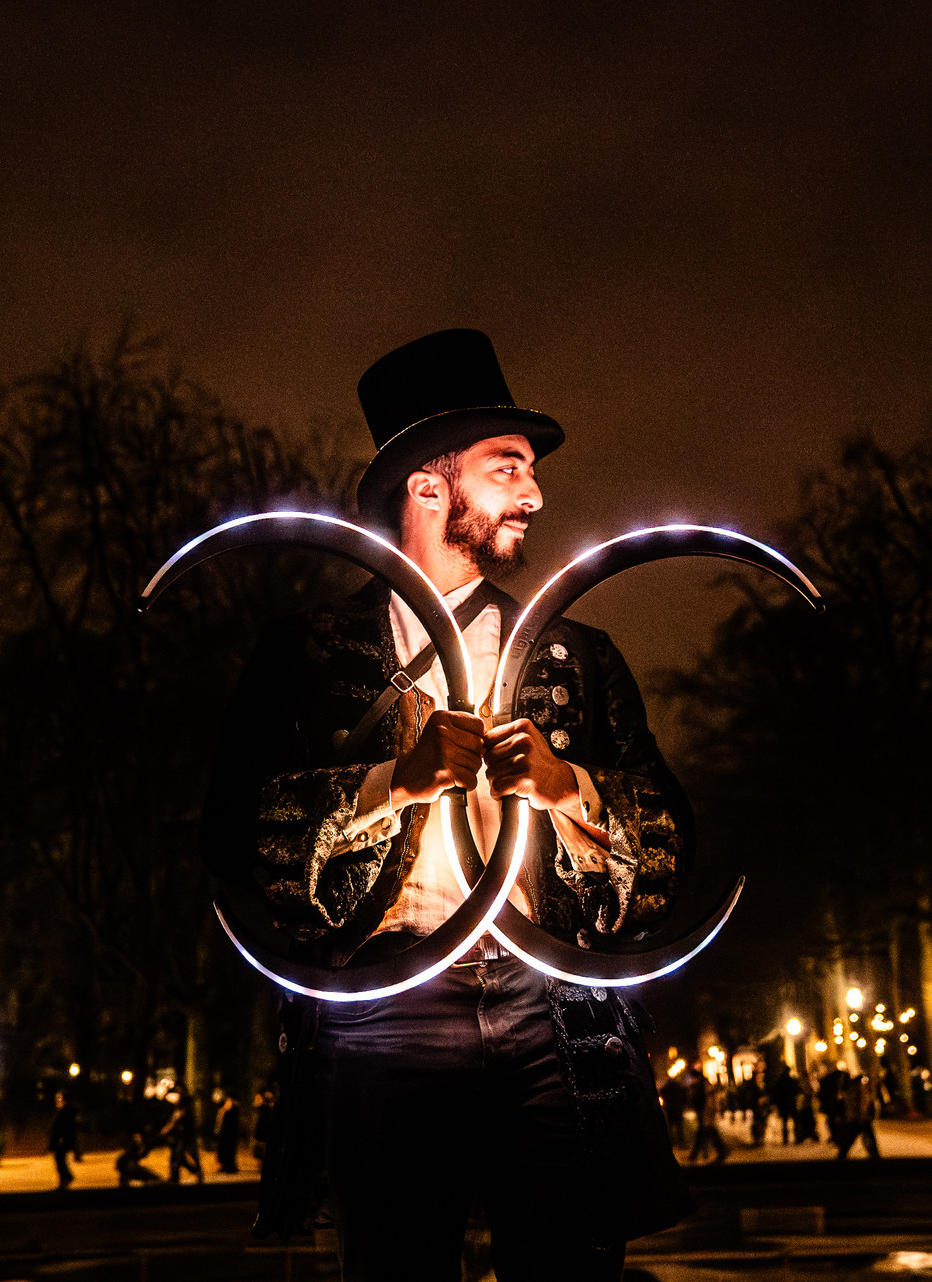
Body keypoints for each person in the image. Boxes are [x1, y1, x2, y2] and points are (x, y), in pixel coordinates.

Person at [203, 330, 693, 1278]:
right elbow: (233, 836)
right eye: (508, 467)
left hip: (552, 1009)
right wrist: (398, 780)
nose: (536, 494)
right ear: (430, 487)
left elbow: (671, 842)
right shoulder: (306, 656)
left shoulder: (579, 661)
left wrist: (566, 788)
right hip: (385, 1013)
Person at [833, 1067, 881, 1159]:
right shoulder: (857, 1089)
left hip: (856, 1118)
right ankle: (875, 1156)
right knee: (855, 1138)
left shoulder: (848, 1090)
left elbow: (853, 1105)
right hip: (860, 1118)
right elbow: (862, 1103)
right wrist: (863, 1116)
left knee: (852, 1138)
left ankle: (842, 1156)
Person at [159, 1090, 203, 1184]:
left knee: (177, 1157)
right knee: (178, 1158)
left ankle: (178, 1177)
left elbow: (175, 1122)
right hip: (177, 1137)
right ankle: (184, 1174)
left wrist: (166, 1130)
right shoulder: (177, 1108)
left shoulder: (185, 1110)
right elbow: (173, 1121)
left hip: (182, 1137)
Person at [686, 1072, 728, 1165]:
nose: (693, 1080)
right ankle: (695, 1155)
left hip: (706, 1112)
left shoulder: (703, 1086)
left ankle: (722, 1151)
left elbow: (706, 1100)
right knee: (706, 1131)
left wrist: (711, 1111)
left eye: (693, 1078)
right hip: (704, 1113)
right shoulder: (701, 1085)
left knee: (708, 1131)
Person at [48, 1090, 82, 1189]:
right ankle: (65, 1178)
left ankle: (66, 1178)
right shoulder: (64, 1111)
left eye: (59, 1098)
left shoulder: (66, 1111)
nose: (57, 1101)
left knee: (60, 1159)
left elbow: (64, 1127)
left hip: (62, 1140)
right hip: (62, 1139)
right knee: (60, 1159)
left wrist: (60, 1139)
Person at [767, 1060, 799, 1144]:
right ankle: (797, 1137)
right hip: (790, 1102)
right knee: (795, 1120)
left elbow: (774, 1093)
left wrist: (774, 1103)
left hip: (783, 1103)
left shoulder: (779, 1081)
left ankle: (785, 1138)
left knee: (784, 1121)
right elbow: (797, 1090)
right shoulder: (791, 1080)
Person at [215, 1089, 243, 1174]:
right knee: (224, 1150)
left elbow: (232, 1122)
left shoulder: (234, 1108)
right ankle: (225, 1166)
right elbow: (220, 1119)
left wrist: (225, 1111)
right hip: (225, 1133)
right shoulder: (226, 1108)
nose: (227, 1101)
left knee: (230, 1150)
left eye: (229, 1099)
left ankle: (231, 1167)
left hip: (230, 1133)